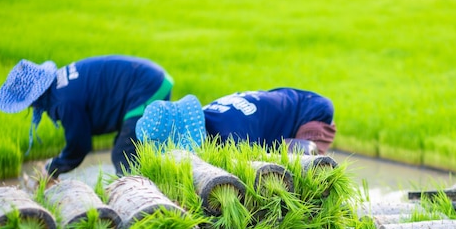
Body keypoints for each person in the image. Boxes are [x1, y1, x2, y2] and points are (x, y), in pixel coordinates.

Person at [0, 55, 174, 178]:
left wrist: (53, 168)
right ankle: (154, 182)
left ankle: (139, 206)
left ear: (34, 98)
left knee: (124, 153)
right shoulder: (58, 84)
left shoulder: (63, 102)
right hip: (146, 80)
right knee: (129, 145)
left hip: (149, 87)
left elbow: (79, 144)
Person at [135, 88, 336, 155]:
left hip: (310, 112)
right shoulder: (203, 115)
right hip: (280, 101)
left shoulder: (230, 137)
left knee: (296, 163)